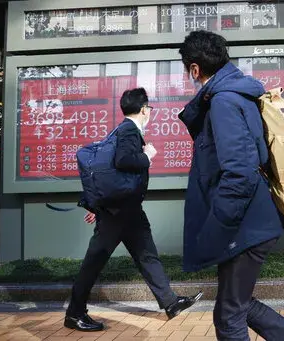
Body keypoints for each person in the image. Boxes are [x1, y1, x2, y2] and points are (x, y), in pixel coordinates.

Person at [178, 31, 284, 341]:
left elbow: (240, 171)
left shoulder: (223, 101)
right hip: (253, 219)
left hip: (244, 224)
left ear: (194, 69)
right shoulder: (239, 93)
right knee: (238, 305)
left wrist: (219, 224)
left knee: (229, 316)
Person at [64, 88, 202, 332]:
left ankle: (170, 302)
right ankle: (74, 314)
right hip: (117, 213)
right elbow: (123, 161)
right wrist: (147, 156)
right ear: (144, 109)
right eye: (149, 109)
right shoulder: (129, 130)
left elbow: (110, 172)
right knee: (94, 262)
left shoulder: (121, 130)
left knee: (147, 255)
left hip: (128, 210)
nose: (150, 113)